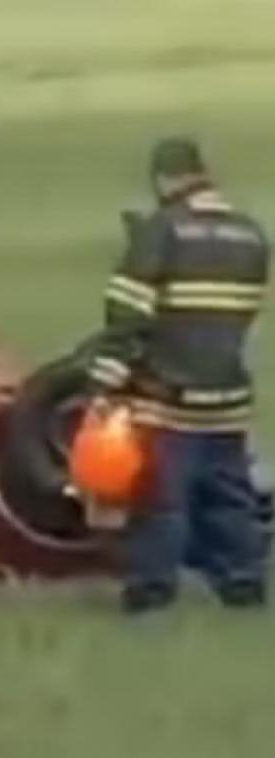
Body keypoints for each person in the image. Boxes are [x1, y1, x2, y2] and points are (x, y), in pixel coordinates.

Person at [87, 137, 270, 613]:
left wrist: (106, 383)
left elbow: (128, 316)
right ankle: (244, 582)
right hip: (227, 395)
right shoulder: (251, 234)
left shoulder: (161, 231)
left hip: (167, 396)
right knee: (230, 494)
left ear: (163, 179)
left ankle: (151, 590)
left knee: (160, 498)